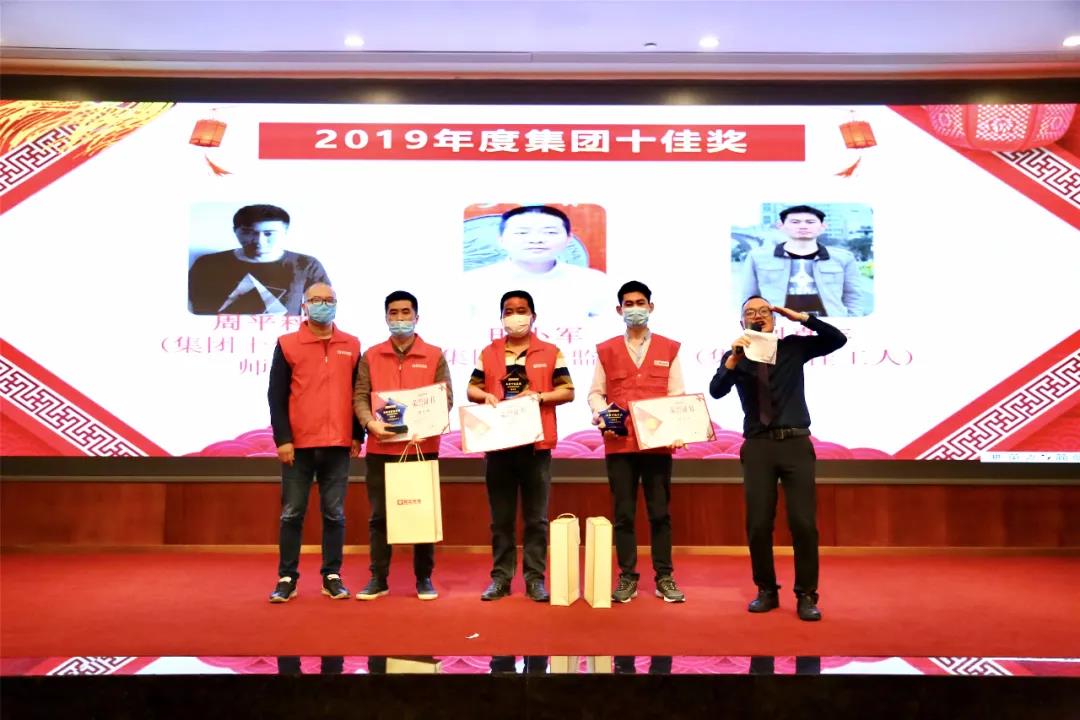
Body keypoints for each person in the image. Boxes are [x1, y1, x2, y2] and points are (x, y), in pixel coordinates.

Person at [709, 295, 847, 621]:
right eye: (750, 313)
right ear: (742, 322)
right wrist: (732, 360)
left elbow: (837, 339)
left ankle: (807, 595)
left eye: (764, 311)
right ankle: (766, 590)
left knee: (803, 523)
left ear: (774, 318)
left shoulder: (793, 348)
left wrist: (802, 318)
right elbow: (716, 390)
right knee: (758, 524)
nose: (758, 316)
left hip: (796, 444)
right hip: (758, 447)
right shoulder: (736, 356)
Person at [467, 290, 575, 602]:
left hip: (536, 448)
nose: (516, 316)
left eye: (522, 310)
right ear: (501, 317)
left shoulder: (551, 351)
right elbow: (472, 388)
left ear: (533, 316)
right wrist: (485, 396)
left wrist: (539, 396)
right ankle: (500, 579)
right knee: (501, 519)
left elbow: (567, 391)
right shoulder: (489, 352)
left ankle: (534, 580)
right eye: (509, 311)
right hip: (498, 447)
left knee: (536, 519)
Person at [587, 280, 686, 604]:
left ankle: (664, 577)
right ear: (619, 310)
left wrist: (678, 428)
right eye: (628, 304)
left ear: (651, 307)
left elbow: (676, 395)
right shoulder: (606, 349)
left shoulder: (669, 348)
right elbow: (596, 393)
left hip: (657, 445)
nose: (635, 309)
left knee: (660, 514)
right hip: (619, 444)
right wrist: (602, 415)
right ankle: (627, 576)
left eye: (640, 303)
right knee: (624, 514)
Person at [352, 290, 453, 602]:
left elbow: (446, 398)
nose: (399, 318)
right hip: (381, 450)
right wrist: (369, 424)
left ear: (416, 317)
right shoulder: (371, 355)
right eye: (393, 313)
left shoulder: (434, 355)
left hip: (421, 448)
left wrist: (428, 425)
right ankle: (378, 578)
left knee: (422, 514)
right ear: (386, 317)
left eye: (405, 312)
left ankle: (424, 578)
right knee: (380, 517)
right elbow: (360, 396)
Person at [267, 283, 362, 603]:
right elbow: (276, 396)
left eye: (329, 300)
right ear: (304, 305)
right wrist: (283, 439)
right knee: (292, 513)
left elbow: (358, 393)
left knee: (334, 513)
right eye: (316, 300)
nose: (323, 305)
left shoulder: (351, 344)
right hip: (299, 446)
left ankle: (331, 576)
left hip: (338, 444)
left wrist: (357, 434)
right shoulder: (287, 344)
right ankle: (287, 578)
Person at [466, 206, 608, 331]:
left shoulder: (594, 281)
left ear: (568, 239)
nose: (536, 240)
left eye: (550, 232)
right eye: (522, 233)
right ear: (501, 240)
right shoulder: (472, 282)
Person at [189, 204, 330, 315]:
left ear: (285, 232)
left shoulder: (306, 264)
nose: (259, 241)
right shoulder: (207, 264)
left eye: (269, 233)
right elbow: (195, 307)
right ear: (235, 231)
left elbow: (323, 309)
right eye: (248, 232)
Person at [740, 205, 867, 318]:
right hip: (778, 326)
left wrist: (852, 322)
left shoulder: (843, 258)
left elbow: (853, 296)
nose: (803, 226)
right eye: (795, 222)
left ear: (823, 226)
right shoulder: (758, 257)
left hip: (829, 326)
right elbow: (749, 298)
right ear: (781, 226)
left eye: (810, 222)